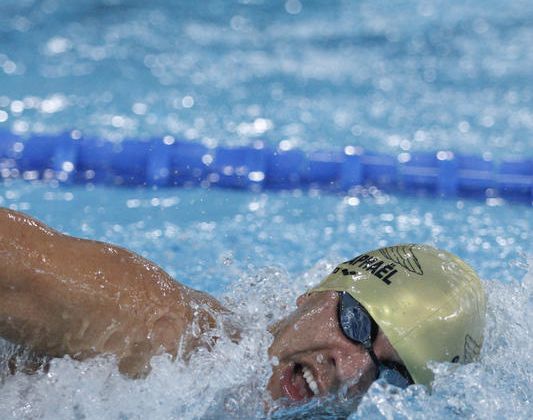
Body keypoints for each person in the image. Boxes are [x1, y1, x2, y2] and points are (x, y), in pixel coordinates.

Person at [0, 208, 486, 403]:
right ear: (316, 293)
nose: (352, 367)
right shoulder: (156, 330)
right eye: (357, 322)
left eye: (390, 370)